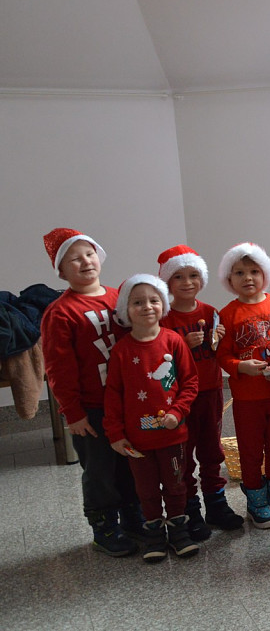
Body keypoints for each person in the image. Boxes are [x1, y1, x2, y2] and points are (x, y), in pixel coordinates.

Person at [40, 228, 141, 557]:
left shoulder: (119, 298)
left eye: (89, 253)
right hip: (92, 409)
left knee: (129, 463)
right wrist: (73, 412)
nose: (85, 261)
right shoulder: (60, 313)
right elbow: (58, 368)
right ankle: (104, 526)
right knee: (100, 470)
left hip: (126, 403)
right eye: (74, 258)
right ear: (61, 270)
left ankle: (134, 516)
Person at [103, 274, 200, 563]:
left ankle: (179, 530)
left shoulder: (174, 341)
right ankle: (154, 534)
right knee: (145, 489)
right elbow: (113, 395)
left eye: (153, 300)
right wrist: (115, 433)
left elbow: (190, 383)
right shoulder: (121, 351)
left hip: (173, 436)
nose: (147, 307)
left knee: (176, 484)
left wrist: (177, 412)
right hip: (137, 441)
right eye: (138, 302)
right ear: (125, 309)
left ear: (163, 304)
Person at [157, 245, 244, 540]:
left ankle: (216, 504)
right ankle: (190, 509)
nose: (187, 282)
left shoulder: (210, 313)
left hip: (210, 392)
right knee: (182, 455)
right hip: (179, 399)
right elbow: (157, 361)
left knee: (211, 451)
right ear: (167, 283)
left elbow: (221, 352)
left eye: (193, 275)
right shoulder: (164, 318)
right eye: (178, 276)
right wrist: (183, 345)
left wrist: (219, 340)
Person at [216, 242, 270, 528]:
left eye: (254, 271)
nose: (248, 277)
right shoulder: (227, 314)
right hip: (247, 400)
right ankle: (256, 501)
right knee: (250, 451)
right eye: (239, 272)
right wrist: (241, 367)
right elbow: (222, 355)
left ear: (265, 274)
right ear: (229, 279)